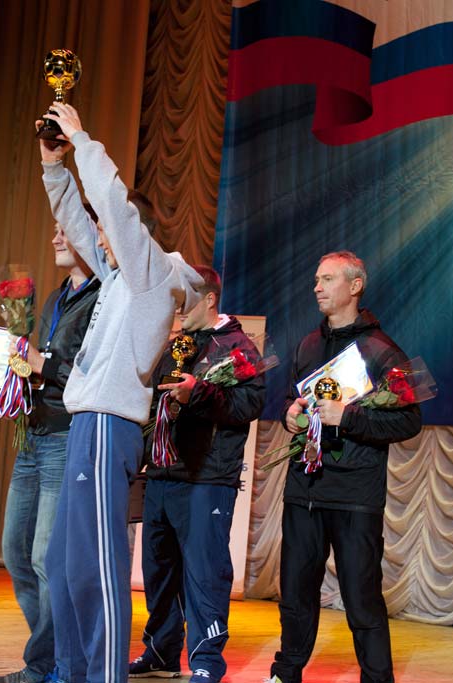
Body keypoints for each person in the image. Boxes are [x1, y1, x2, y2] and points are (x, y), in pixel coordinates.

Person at [38, 103, 204, 683]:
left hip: (110, 426)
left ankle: (104, 676)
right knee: (64, 563)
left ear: (135, 234)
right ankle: (71, 670)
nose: (98, 238)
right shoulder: (116, 280)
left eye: (110, 230)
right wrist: (54, 167)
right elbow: (81, 219)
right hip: (86, 423)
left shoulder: (150, 276)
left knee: (99, 566)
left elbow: (109, 202)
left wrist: (83, 139)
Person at [266, 252, 422, 683]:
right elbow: (292, 400)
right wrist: (290, 414)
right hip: (304, 488)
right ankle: (286, 673)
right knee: (295, 593)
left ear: (355, 286)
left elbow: (409, 421)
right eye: (316, 279)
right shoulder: (307, 345)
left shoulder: (381, 350)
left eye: (328, 279)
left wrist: (347, 417)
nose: (317, 287)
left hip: (355, 496)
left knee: (361, 598)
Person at [0, 218, 101, 683]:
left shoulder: (102, 299)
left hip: (64, 438)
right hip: (33, 434)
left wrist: (43, 363)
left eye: (66, 228)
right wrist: (2, 390)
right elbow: (36, 373)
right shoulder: (56, 299)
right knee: (16, 552)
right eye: (55, 229)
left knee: (45, 558)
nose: (56, 236)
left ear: (93, 236)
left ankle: (49, 665)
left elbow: (92, 376)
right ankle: (55, 656)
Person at [131, 266, 265, 683]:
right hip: (162, 473)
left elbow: (249, 406)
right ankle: (162, 651)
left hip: (206, 477)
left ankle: (206, 660)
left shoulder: (239, 348)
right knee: (159, 569)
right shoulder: (176, 345)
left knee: (205, 573)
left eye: (184, 300)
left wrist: (199, 393)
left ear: (208, 299)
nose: (177, 309)